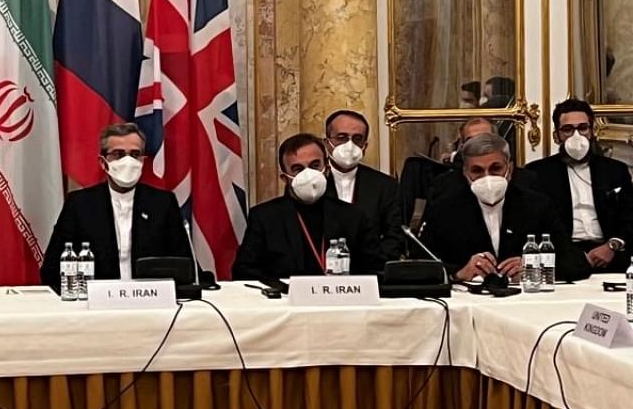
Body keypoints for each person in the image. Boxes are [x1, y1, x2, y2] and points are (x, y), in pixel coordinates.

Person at [420, 133, 588, 282]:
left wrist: (534, 266)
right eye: (477, 171)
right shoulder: (445, 209)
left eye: (496, 168)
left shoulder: (537, 205)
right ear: (465, 173)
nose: (487, 177)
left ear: (510, 168)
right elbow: (420, 263)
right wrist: (457, 273)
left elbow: (576, 262)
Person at [40, 123, 191, 289]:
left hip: (150, 302)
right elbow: (52, 269)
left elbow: (184, 265)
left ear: (142, 161)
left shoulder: (163, 203)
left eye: (135, 154)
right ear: (103, 162)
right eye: (119, 154)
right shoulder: (79, 204)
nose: (128, 161)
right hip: (96, 304)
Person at [233, 134, 383, 280]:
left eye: (315, 165)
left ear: (327, 169)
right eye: (298, 169)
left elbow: (375, 270)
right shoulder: (265, 217)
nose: (308, 174)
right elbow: (244, 272)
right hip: (288, 300)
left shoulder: (353, 216)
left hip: (342, 300)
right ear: (285, 178)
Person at [526, 99, 633, 274]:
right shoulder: (537, 173)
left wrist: (612, 245)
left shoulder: (615, 170)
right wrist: (574, 256)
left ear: (592, 131)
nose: (577, 136)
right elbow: (536, 222)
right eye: (568, 130)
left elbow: (629, 215)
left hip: (611, 251)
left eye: (583, 128)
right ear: (556, 136)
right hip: (563, 255)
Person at [323, 110, 405, 261]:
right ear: (327, 142)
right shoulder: (313, 182)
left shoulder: (385, 186)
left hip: (371, 271)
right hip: (320, 270)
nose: (349, 145)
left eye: (357, 139)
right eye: (342, 138)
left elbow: (394, 237)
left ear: (364, 146)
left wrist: (371, 265)